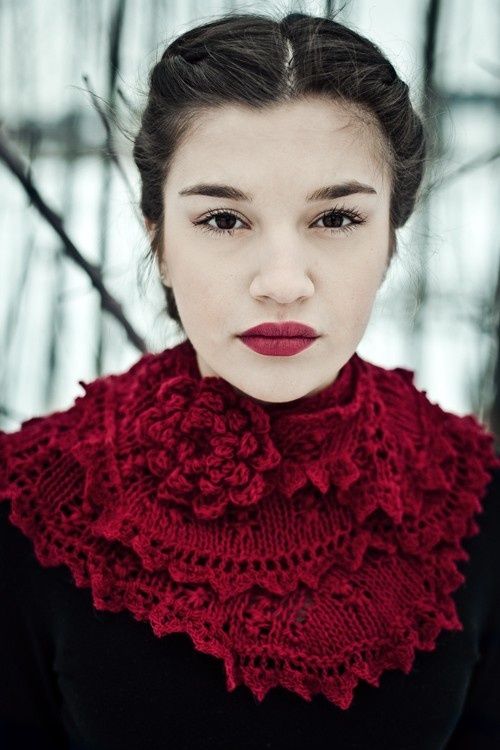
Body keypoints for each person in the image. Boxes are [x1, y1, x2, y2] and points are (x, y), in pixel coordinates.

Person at [1, 10, 499, 750]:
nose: (282, 282)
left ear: (392, 236)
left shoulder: (474, 498)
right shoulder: (30, 504)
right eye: (224, 220)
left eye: (334, 218)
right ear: (158, 241)